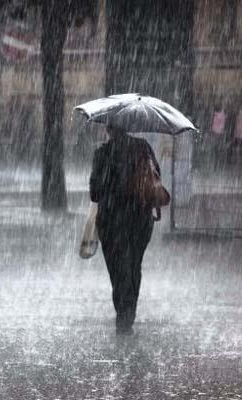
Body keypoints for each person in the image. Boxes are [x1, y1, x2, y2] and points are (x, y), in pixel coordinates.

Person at [89, 122, 161, 335]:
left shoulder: (102, 153)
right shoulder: (143, 148)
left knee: (117, 269)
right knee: (134, 265)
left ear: (109, 129)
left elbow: (94, 193)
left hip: (111, 220)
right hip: (140, 218)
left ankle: (123, 312)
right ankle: (128, 313)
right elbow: (156, 178)